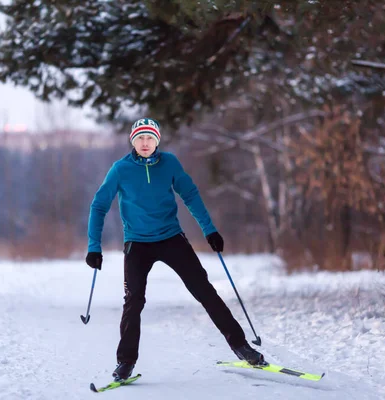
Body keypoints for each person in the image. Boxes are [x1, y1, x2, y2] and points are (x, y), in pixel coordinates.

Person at [85, 118, 265, 381]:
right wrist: (93, 246)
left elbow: (190, 195)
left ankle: (240, 346)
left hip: (171, 238)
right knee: (133, 301)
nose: (145, 143)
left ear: (157, 141)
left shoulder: (169, 163)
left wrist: (209, 230)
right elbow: (98, 206)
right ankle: (125, 362)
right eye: (140, 138)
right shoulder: (120, 170)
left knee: (204, 290)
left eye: (150, 138)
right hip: (137, 242)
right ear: (132, 141)